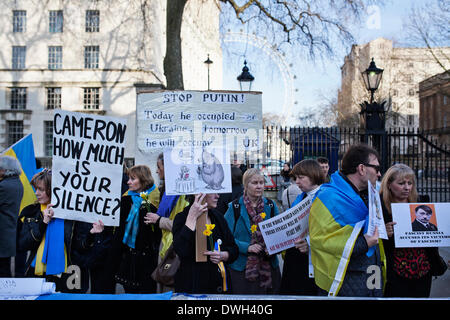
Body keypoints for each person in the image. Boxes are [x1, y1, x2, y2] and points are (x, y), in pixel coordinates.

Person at [309, 144, 383, 297]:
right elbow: (319, 240)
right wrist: (364, 243)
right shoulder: (327, 197)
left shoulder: (369, 194)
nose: (380, 173)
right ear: (362, 168)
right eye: (376, 168)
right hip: (344, 280)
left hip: (371, 274)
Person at [17, 169, 106, 293]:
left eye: (41, 190)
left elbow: (81, 247)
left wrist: (91, 234)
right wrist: (44, 222)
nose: (36, 193)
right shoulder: (32, 212)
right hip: (38, 274)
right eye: (35, 188)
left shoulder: (73, 213)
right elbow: (23, 244)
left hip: (70, 274)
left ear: (54, 190)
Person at [380, 163, 438, 297]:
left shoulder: (422, 202)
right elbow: (373, 239)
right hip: (395, 272)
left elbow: (435, 236)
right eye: (401, 183)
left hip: (423, 270)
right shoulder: (380, 207)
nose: (407, 187)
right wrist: (384, 233)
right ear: (389, 184)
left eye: (409, 183)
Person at [224, 168, 281, 294]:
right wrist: (247, 247)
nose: (259, 186)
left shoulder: (271, 205)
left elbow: (279, 233)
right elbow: (226, 237)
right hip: (241, 268)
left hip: (268, 266)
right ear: (245, 185)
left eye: (261, 182)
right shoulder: (234, 207)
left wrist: (272, 247)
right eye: (255, 183)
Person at [172, 193, 239, 294]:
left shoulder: (218, 217)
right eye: (213, 193)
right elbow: (181, 249)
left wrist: (224, 255)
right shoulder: (182, 217)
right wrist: (191, 218)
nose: (218, 196)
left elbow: (234, 249)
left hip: (218, 285)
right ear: (199, 195)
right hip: (192, 286)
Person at [111, 164, 161, 293]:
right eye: (129, 178)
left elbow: (156, 233)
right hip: (128, 256)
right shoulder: (126, 198)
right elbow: (120, 229)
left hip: (148, 260)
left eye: (133, 179)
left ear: (143, 180)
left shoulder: (156, 198)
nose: (128, 182)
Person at [280, 159, 324, 295]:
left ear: (313, 175)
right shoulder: (301, 197)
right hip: (295, 257)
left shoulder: (325, 197)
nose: (297, 182)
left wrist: (309, 243)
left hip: (312, 260)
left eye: (301, 177)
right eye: (295, 178)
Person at [148, 153, 189, 292]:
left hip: (175, 250)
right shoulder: (167, 191)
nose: (157, 171)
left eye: (159, 167)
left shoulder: (184, 193)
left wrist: (159, 220)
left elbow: (185, 225)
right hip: (166, 246)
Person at [0, 156, 24, 277]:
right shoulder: (17, 183)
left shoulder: (4, 186)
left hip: (3, 232)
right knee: (5, 267)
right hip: (8, 231)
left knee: (3, 270)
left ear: (5, 169)